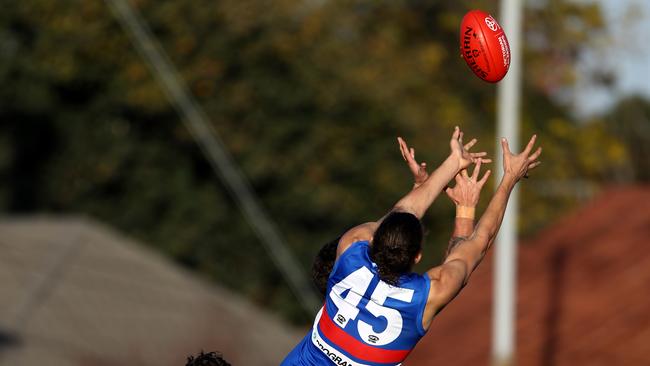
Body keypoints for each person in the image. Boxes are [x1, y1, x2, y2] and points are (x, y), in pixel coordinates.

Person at [284, 127, 541, 366]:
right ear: (417, 256)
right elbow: (480, 241)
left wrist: (452, 163)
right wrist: (507, 180)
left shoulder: (352, 244)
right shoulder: (429, 294)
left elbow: (403, 210)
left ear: (376, 239)